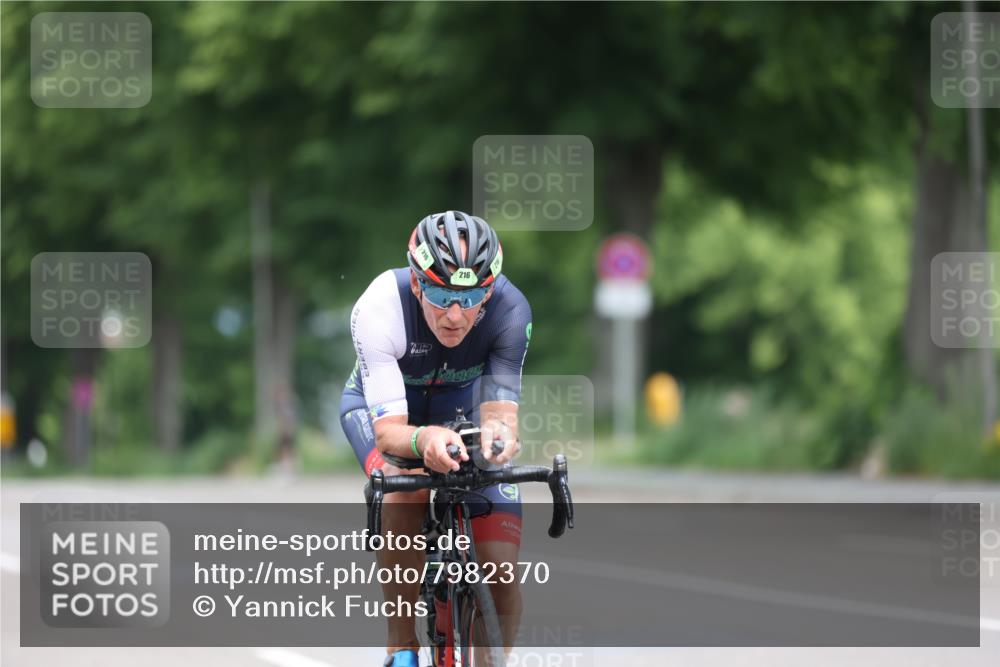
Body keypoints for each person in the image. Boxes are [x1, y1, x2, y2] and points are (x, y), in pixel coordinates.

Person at [340, 210, 532, 667]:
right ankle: (401, 646)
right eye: (441, 295)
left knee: (502, 571)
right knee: (404, 487)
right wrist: (424, 440)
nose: (455, 314)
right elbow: (390, 432)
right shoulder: (380, 306)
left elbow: (501, 416)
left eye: (470, 298)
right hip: (384, 413)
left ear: (489, 292)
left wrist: (499, 439)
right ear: (416, 283)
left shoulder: (511, 311)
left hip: (460, 412)